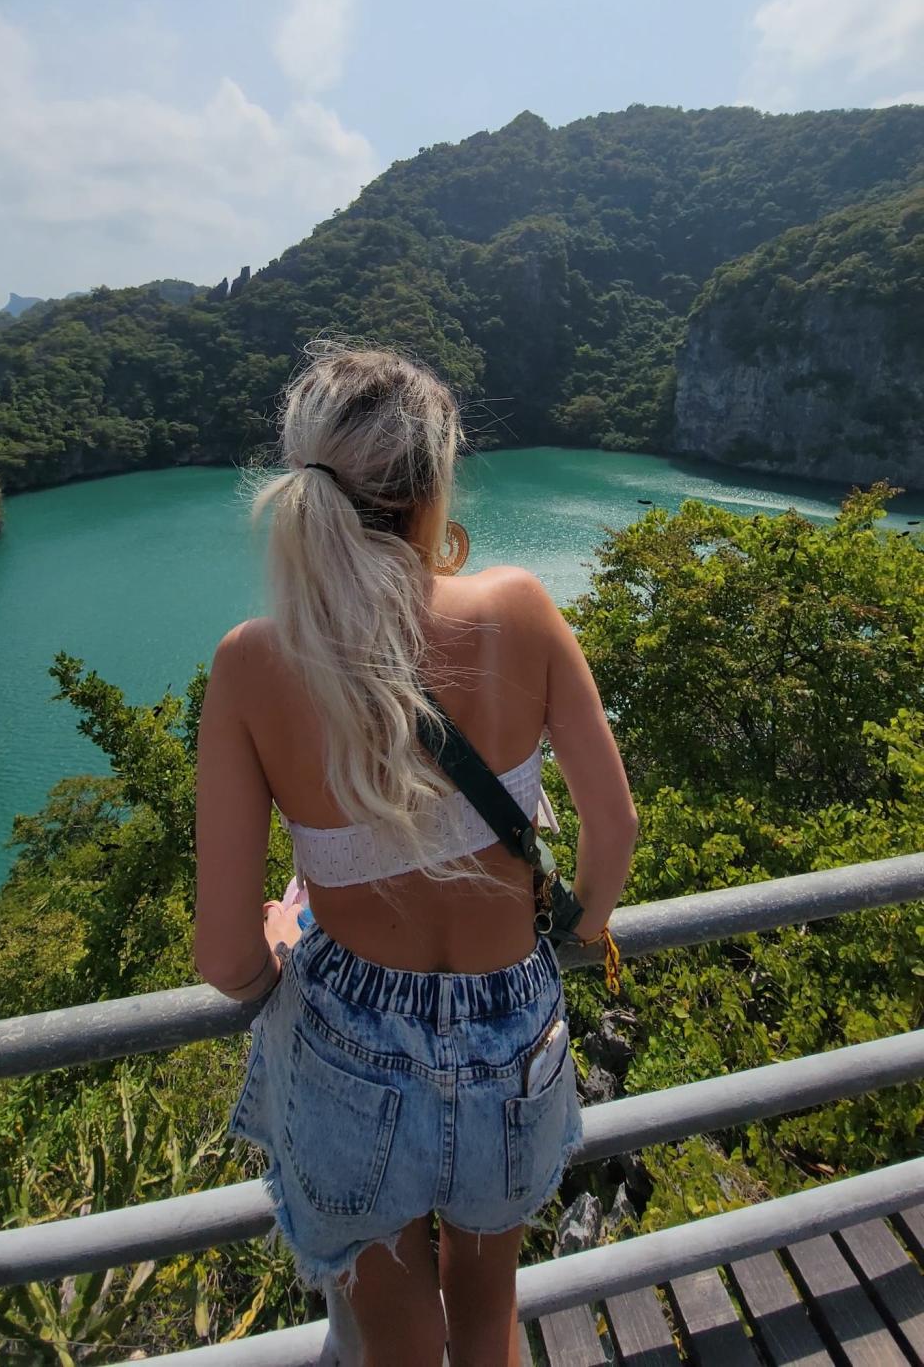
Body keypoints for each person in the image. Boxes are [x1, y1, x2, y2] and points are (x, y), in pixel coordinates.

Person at [194, 342, 638, 1367]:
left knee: (392, 1341)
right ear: (434, 486)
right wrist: (583, 927)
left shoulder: (254, 663)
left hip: (350, 1038)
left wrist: (278, 934)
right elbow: (610, 830)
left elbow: (225, 963)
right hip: (514, 1019)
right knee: (489, 1323)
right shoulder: (518, 609)